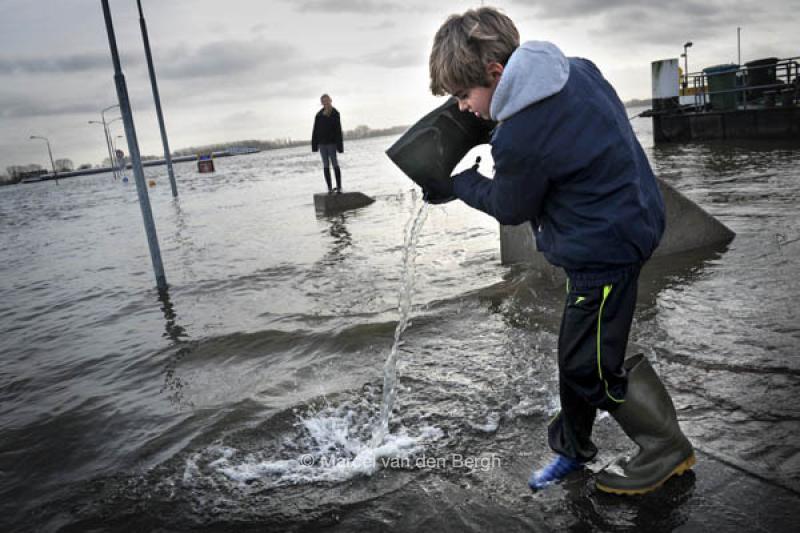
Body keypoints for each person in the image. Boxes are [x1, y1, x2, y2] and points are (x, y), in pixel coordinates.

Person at [427, 7, 695, 494]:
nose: (462, 107)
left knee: (586, 365)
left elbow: (511, 205)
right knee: (576, 353)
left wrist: (459, 182)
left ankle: (665, 448)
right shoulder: (575, 68)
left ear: (495, 73)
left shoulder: (519, 134)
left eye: (464, 95)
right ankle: (573, 450)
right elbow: (569, 136)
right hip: (630, 220)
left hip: (603, 251)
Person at [311, 93, 344, 193]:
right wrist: (314, 145)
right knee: (325, 165)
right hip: (322, 144)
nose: (325, 102)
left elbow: (338, 130)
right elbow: (315, 130)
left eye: (327, 100)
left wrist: (340, 146)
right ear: (321, 103)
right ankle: (329, 188)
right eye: (323, 101)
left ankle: (339, 186)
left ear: (330, 100)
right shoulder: (318, 115)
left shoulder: (335, 113)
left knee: (335, 164)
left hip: (332, 143)